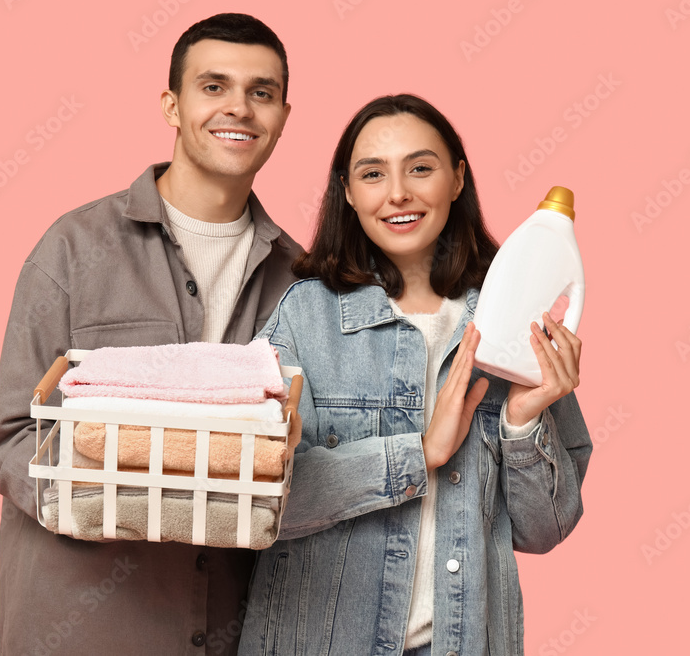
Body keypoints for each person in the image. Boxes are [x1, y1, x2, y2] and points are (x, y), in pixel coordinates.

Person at [0, 13, 298, 654]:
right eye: (214, 87)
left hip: (227, 630)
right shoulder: (73, 249)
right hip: (81, 629)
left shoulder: (303, 279)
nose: (238, 107)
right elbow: (14, 436)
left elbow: (295, 455)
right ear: (172, 105)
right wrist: (125, 500)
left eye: (261, 92)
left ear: (283, 116)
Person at [239, 94, 592, 656]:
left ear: (456, 179)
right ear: (348, 193)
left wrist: (524, 423)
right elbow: (258, 503)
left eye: (420, 168)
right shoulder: (304, 318)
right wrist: (418, 453)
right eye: (373, 173)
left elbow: (543, 531)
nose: (398, 192)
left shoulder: (516, 320)